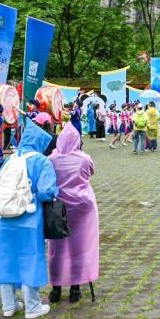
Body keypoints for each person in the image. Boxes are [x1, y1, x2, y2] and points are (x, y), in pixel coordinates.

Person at [0, 117, 58, 319]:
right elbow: (45, 192)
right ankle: (32, 306)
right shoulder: (42, 161)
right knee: (29, 258)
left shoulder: (11, 159)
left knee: (5, 258)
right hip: (29, 218)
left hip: (1, 218)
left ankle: (9, 305)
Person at [48, 124, 99, 304]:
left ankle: (55, 289)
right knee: (80, 247)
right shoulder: (84, 159)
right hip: (81, 207)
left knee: (57, 248)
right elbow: (90, 173)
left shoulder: (52, 159)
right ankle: (75, 288)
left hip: (58, 208)